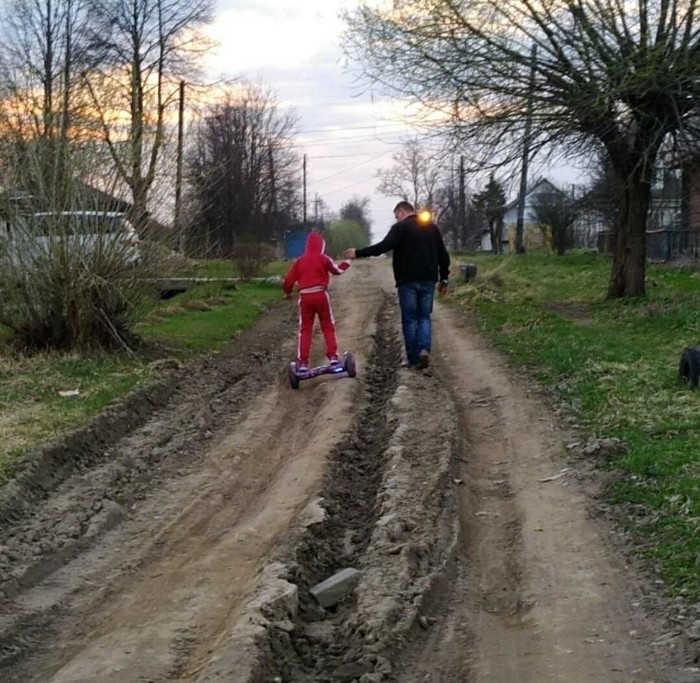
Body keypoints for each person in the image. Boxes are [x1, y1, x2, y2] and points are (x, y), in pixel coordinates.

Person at [345, 200, 449, 369]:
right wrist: (444, 278)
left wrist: (358, 253)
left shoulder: (400, 228)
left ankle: (413, 360)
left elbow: (383, 247)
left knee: (409, 320)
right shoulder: (432, 228)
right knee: (424, 316)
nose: (396, 219)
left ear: (402, 212)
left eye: (396, 216)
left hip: (407, 281)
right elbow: (443, 256)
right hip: (428, 279)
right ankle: (424, 349)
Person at [283, 231, 351, 372]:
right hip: (320, 294)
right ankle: (333, 357)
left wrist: (288, 292)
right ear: (321, 246)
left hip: (305, 297)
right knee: (327, 325)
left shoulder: (300, 261)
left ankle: (303, 363)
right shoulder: (323, 258)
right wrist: (347, 262)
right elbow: (337, 270)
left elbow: (288, 280)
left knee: (305, 329)